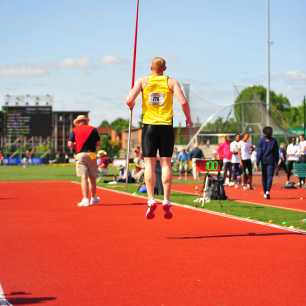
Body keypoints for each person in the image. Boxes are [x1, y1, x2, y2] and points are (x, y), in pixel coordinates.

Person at [126, 57, 192, 219]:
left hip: (149, 127)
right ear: (165, 68)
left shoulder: (143, 81)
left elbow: (128, 100)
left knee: (149, 163)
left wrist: (131, 105)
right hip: (166, 126)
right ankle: (167, 200)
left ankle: (150, 199)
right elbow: (183, 101)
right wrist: (188, 118)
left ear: (150, 67)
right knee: (166, 163)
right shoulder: (171, 82)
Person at [68, 115, 101, 207]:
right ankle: (93, 198)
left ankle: (85, 199)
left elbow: (70, 144)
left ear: (78, 122)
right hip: (92, 154)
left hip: (81, 154)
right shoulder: (94, 129)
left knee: (84, 177)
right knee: (92, 177)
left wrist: (76, 145)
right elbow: (98, 143)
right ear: (86, 121)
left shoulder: (74, 130)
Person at [256, 126, 279, 199]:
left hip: (264, 161)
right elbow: (276, 153)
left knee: (264, 177)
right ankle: (267, 191)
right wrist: (277, 161)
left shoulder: (261, 141)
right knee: (269, 177)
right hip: (271, 161)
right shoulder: (274, 141)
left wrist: (257, 162)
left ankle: (265, 191)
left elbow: (259, 152)